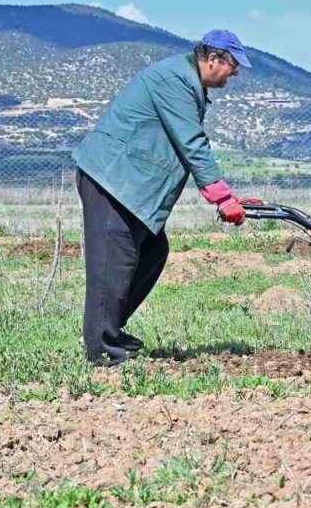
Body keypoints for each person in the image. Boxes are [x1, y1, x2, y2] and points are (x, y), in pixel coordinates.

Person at [71, 29, 257, 367]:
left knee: (153, 251)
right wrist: (221, 197)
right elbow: (191, 142)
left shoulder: (185, 81)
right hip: (112, 178)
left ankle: (109, 327)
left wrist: (229, 197)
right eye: (233, 65)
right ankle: (101, 350)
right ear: (213, 59)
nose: (236, 73)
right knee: (114, 261)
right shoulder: (176, 80)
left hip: (126, 183)